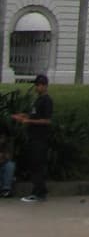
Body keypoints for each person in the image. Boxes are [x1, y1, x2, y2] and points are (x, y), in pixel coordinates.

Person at [13, 73, 52, 202]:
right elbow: (34, 115)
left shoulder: (47, 101)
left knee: (38, 165)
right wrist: (23, 116)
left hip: (40, 138)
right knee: (34, 164)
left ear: (45, 86)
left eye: (39, 85)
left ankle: (38, 193)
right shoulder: (38, 100)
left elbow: (47, 120)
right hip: (33, 137)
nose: (37, 87)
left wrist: (29, 121)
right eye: (36, 85)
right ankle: (40, 190)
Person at [0, 126, 14, 197]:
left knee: (10, 165)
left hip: (3, 164)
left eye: (3, 137)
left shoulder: (7, 145)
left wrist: (3, 156)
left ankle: (6, 189)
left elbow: (9, 157)